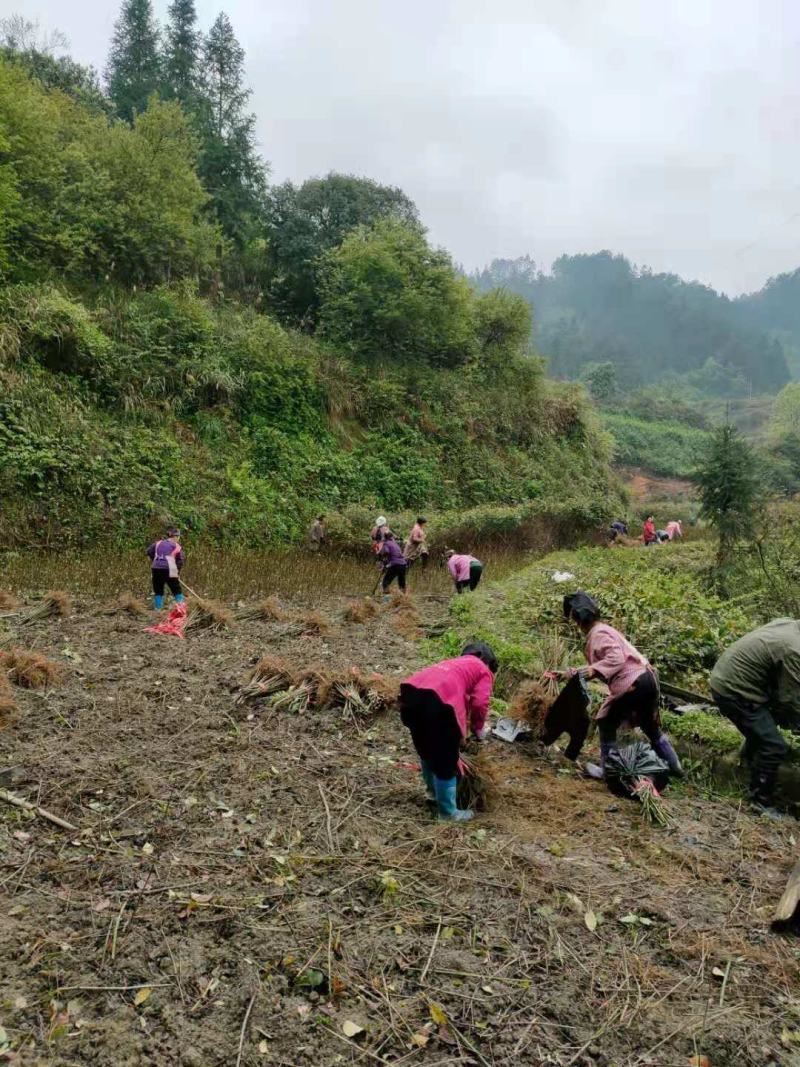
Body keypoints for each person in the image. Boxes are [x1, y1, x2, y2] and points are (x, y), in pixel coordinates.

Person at [560, 591, 683, 780]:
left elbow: (615, 659)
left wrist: (590, 671)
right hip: (647, 679)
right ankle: (674, 766)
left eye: (576, 621)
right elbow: (604, 665)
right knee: (648, 724)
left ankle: (608, 770)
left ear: (580, 620)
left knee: (606, 721)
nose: (577, 626)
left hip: (634, 682)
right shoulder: (605, 629)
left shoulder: (598, 633)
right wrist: (569, 674)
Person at [400, 642, 498, 821]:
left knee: (427, 752)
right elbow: (479, 703)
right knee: (446, 760)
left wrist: (460, 733)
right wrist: (477, 728)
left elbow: (460, 699)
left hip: (410, 696)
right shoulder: (483, 669)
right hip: (438, 703)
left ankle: (433, 796)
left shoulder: (452, 664)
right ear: (489, 661)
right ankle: (447, 813)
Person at [710, 620, 799, 815]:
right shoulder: (794, 649)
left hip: (728, 679)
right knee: (775, 747)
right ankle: (760, 802)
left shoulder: (788, 624)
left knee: (773, 722)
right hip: (734, 691)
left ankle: (749, 753)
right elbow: (791, 700)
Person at [146, 526, 185, 610]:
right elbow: (180, 561)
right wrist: (177, 573)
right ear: (176, 536)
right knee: (176, 589)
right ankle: (182, 609)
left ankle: (158, 610)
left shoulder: (158, 543)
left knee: (158, 590)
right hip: (170, 566)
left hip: (156, 567)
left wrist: (156, 559)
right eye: (178, 537)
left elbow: (149, 551)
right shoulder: (177, 546)